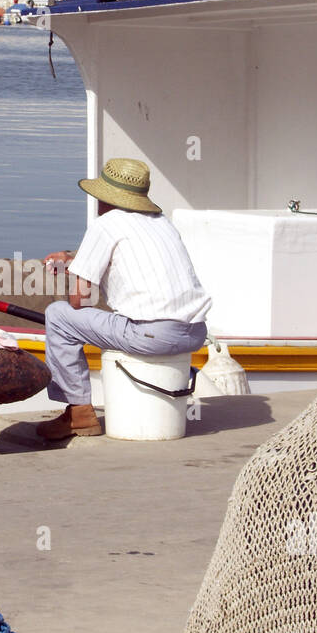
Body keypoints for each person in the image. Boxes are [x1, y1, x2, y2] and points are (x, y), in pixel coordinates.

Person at [38, 158, 212, 440]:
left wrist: (75, 275)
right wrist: (75, 261)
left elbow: (79, 300)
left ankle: (79, 414)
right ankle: (79, 413)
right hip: (195, 333)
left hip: (152, 334)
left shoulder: (105, 224)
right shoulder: (161, 222)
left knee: (58, 316)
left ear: (104, 198)